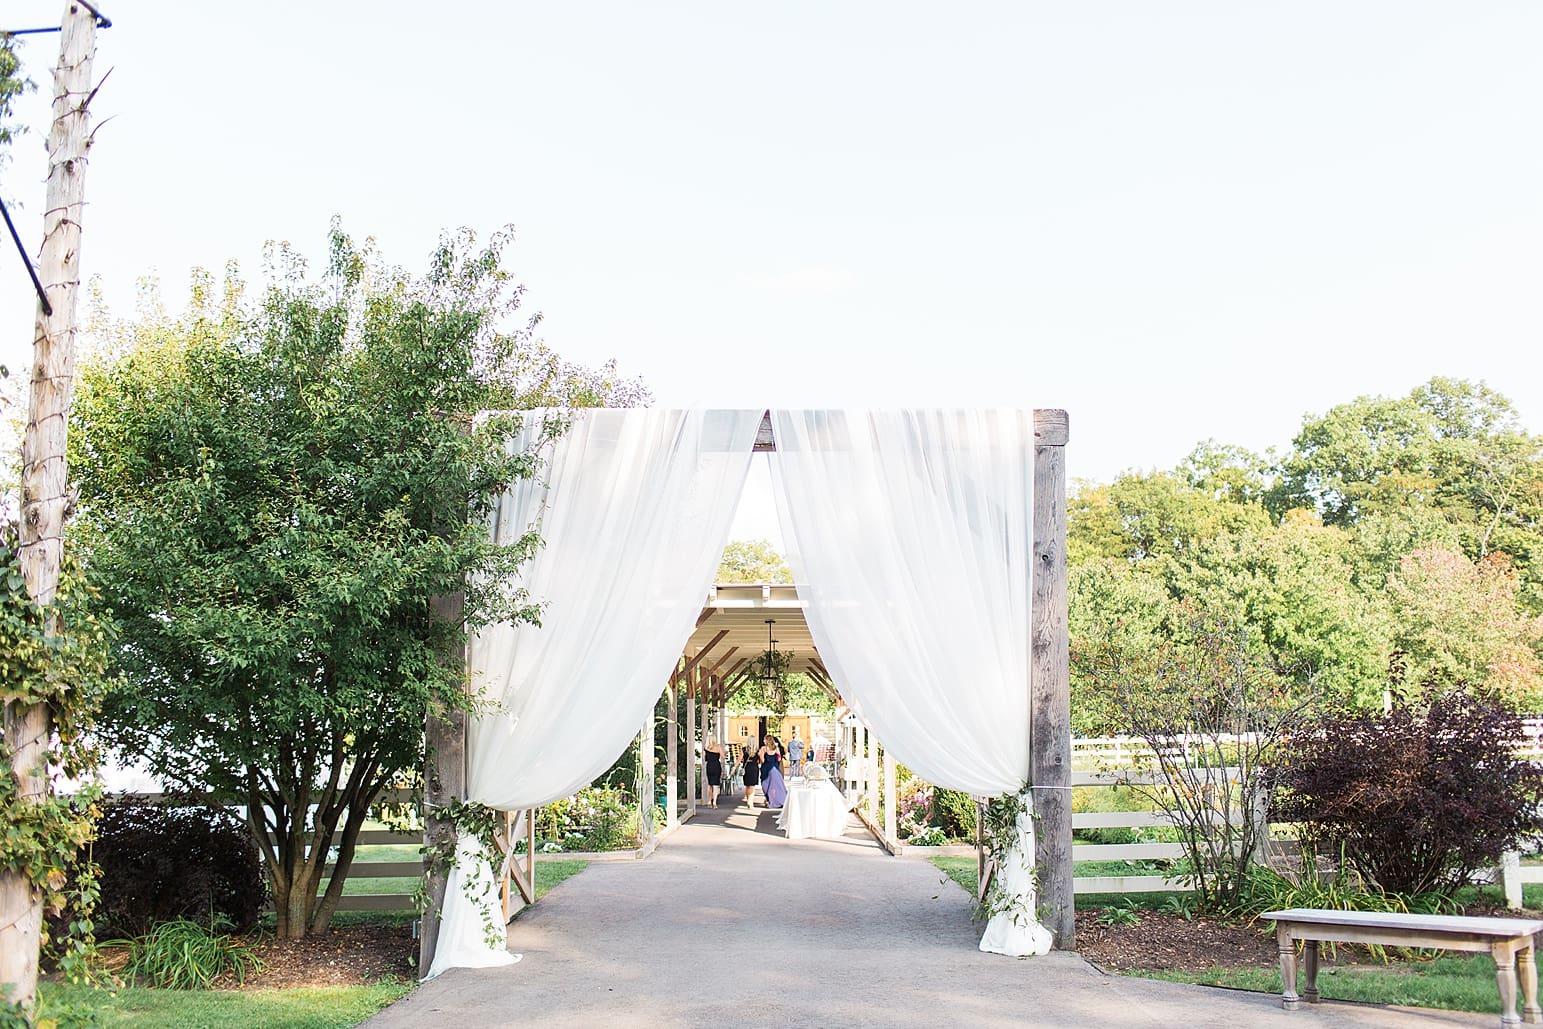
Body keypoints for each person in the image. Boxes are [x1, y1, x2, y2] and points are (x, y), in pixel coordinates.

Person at [759, 735, 787, 809]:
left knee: (766, 785)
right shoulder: (776, 749)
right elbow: (779, 758)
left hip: (766, 769)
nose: (763, 741)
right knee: (777, 786)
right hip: (775, 769)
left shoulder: (763, 749)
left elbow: (762, 760)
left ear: (767, 741)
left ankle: (771, 800)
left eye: (764, 740)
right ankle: (780, 800)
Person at [704, 735, 724, 806]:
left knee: (710, 784)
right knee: (716, 785)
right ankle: (714, 801)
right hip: (716, 766)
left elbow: (704, 758)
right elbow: (723, 756)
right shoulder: (718, 747)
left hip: (709, 766)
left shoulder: (706, 748)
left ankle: (709, 801)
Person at [741, 740, 760, 809]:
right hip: (754, 767)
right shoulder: (757, 750)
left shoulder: (744, 750)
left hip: (747, 768)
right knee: (752, 786)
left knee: (747, 785)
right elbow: (760, 760)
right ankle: (750, 801)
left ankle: (748, 799)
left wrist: (734, 767)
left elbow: (740, 759)